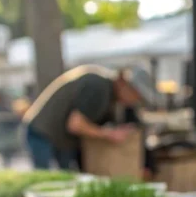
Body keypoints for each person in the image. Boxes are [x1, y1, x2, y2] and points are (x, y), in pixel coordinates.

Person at [23, 65, 157, 171]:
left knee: (69, 180)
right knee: (46, 179)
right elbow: (75, 124)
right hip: (43, 132)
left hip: (63, 140)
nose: (134, 100)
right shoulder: (99, 87)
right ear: (123, 81)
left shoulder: (112, 98)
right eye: (135, 94)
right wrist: (109, 134)